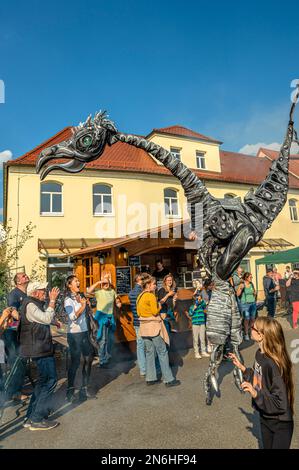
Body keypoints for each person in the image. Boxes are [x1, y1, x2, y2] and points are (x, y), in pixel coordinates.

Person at [229, 317, 294, 449]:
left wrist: (255, 393)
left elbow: (280, 402)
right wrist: (242, 368)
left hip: (280, 423)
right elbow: (259, 379)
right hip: (265, 417)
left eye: (253, 328)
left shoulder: (272, 364)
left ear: (261, 336)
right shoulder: (259, 354)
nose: (250, 328)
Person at [19, 281, 60, 431]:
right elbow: (45, 319)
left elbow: (42, 319)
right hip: (40, 349)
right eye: (44, 290)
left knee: (43, 382)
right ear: (35, 292)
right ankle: (37, 419)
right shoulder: (30, 304)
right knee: (50, 380)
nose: (47, 292)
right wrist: (53, 300)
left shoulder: (33, 303)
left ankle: (30, 417)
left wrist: (54, 321)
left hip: (40, 348)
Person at [136, 275, 180, 387]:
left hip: (144, 328)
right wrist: (160, 304)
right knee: (162, 352)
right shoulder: (150, 296)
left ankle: (150, 378)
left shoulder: (140, 296)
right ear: (148, 285)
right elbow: (155, 312)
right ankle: (169, 379)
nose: (155, 286)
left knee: (149, 353)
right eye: (154, 284)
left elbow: (139, 312)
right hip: (153, 327)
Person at [64, 275, 94, 402]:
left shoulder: (81, 296)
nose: (78, 282)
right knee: (75, 362)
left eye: (78, 280)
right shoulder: (67, 300)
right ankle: (70, 391)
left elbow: (88, 312)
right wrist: (82, 306)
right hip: (74, 334)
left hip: (84, 332)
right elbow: (72, 317)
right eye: (76, 281)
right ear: (69, 285)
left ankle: (84, 388)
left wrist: (87, 305)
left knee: (89, 359)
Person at [4, 272, 30, 401]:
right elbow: (13, 311)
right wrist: (23, 318)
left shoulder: (25, 294)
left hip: (21, 333)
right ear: (18, 282)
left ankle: (18, 389)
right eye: (23, 276)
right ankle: (14, 393)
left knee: (22, 361)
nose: (26, 276)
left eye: (26, 275)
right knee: (16, 362)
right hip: (12, 334)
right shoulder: (14, 294)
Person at [87, 275, 121, 367]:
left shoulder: (112, 291)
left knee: (110, 338)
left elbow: (117, 300)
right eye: (104, 283)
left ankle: (107, 356)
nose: (106, 284)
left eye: (107, 282)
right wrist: (98, 282)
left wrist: (118, 304)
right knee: (102, 339)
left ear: (109, 283)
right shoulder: (98, 291)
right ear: (102, 284)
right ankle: (102, 360)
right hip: (101, 317)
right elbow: (88, 291)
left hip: (110, 317)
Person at [129, 274, 146, 376]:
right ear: (139, 280)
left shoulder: (131, 293)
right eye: (143, 279)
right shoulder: (143, 292)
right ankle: (149, 367)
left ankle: (143, 369)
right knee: (148, 345)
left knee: (140, 345)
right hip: (144, 321)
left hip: (136, 321)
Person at [187, 289, 209, 359]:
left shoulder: (201, 305)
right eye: (197, 297)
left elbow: (204, 304)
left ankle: (203, 351)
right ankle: (196, 352)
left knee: (202, 338)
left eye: (200, 297)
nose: (199, 299)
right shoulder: (191, 307)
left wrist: (201, 300)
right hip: (195, 324)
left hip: (202, 323)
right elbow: (190, 314)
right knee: (196, 339)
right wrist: (194, 308)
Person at [237, 272, 257, 341]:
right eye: (250, 277)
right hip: (245, 304)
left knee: (253, 319)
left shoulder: (251, 284)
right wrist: (240, 289)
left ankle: (251, 332)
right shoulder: (242, 284)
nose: (251, 278)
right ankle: (246, 334)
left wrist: (254, 293)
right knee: (246, 319)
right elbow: (237, 294)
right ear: (246, 278)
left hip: (253, 303)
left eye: (252, 277)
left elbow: (254, 292)